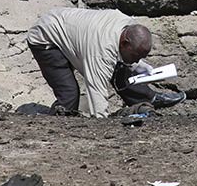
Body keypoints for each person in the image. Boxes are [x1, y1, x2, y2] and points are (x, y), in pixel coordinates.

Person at [27, 8, 185, 117]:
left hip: (72, 29)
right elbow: (96, 89)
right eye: (136, 56)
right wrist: (101, 123)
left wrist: (139, 65)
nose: (137, 60)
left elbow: (126, 59)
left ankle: (148, 99)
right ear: (124, 43)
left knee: (121, 69)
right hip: (46, 39)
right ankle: (56, 123)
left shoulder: (126, 24)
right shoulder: (101, 50)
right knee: (69, 93)